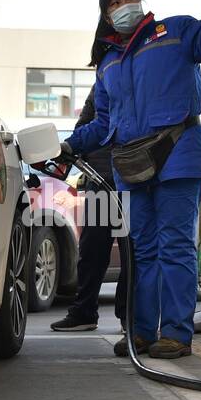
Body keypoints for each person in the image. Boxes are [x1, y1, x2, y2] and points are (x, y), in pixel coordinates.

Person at [62, 0, 201, 359]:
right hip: (131, 162)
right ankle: (142, 332)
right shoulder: (108, 64)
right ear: (106, 15)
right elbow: (103, 125)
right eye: (114, 2)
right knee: (141, 250)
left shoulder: (175, 31)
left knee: (175, 246)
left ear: (142, 2)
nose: (124, 5)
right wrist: (69, 144)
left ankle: (177, 334)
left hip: (179, 151)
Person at [49, 87, 130, 333]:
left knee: (133, 253)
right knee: (92, 249)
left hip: (132, 178)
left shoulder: (139, 72)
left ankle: (131, 315)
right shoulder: (102, 85)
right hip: (101, 178)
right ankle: (84, 311)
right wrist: (73, 150)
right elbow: (84, 125)